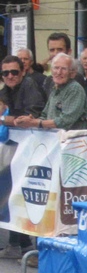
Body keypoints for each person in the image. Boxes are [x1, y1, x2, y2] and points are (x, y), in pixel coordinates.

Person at [0, 55, 46, 259]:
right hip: (14, 148)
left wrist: (5, 118)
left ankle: (24, 244)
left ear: (23, 71)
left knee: (20, 194)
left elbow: (27, 118)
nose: (9, 76)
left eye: (14, 72)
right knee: (11, 193)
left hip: (31, 149)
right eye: (5, 73)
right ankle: (19, 242)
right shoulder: (6, 90)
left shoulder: (29, 87)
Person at [15, 53, 87, 131]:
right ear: (51, 71)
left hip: (72, 141)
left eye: (63, 69)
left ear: (72, 73)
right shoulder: (55, 88)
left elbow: (65, 121)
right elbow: (45, 116)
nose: (59, 72)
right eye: (56, 68)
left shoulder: (74, 89)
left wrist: (36, 122)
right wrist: (29, 120)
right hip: (54, 140)